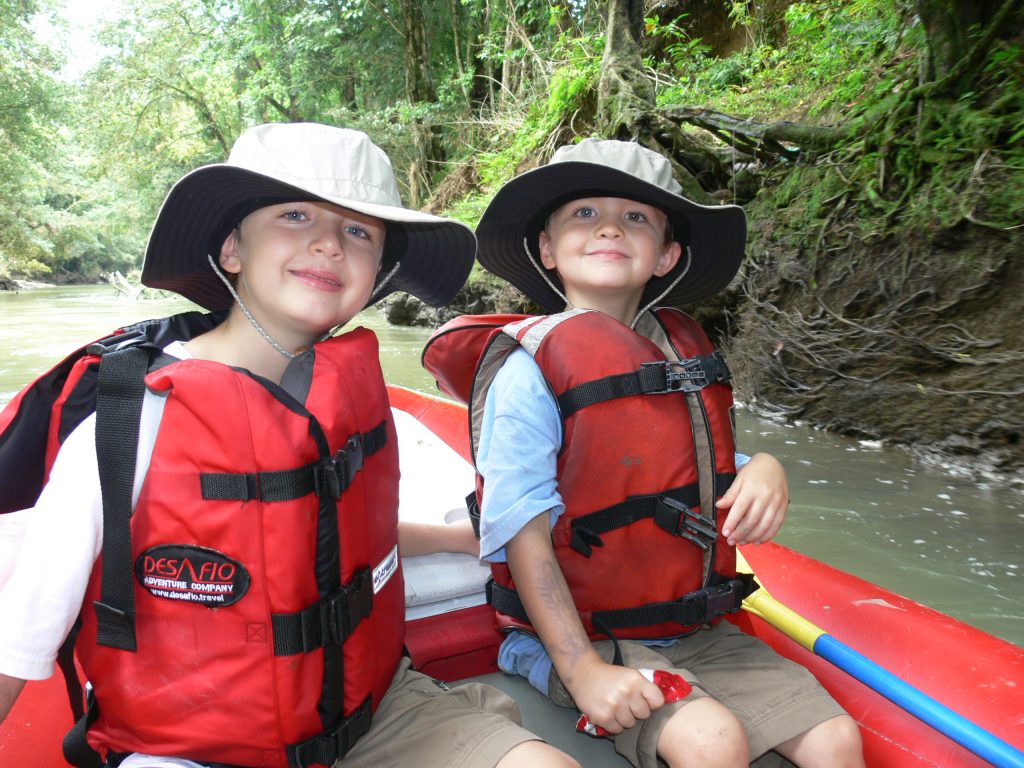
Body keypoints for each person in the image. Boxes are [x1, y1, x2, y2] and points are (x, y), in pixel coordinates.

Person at [0, 123, 577, 768]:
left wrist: (453, 536)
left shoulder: (348, 405)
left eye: (359, 231)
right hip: (195, 744)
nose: (329, 242)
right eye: (294, 215)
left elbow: (322, 532)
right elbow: (18, 638)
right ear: (232, 250)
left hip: (371, 711)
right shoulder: (132, 422)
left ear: (376, 271)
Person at [424, 139, 864, 768]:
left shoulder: (682, 356)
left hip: (693, 628)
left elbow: (696, 471)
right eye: (583, 214)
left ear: (667, 255)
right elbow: (521, 532)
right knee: (713, 742)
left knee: (836, 742)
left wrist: (766, 468)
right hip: (573, 636)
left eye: (636, 217)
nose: (608, 226)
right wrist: (582, 672)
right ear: (547, 250)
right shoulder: (529, 371)